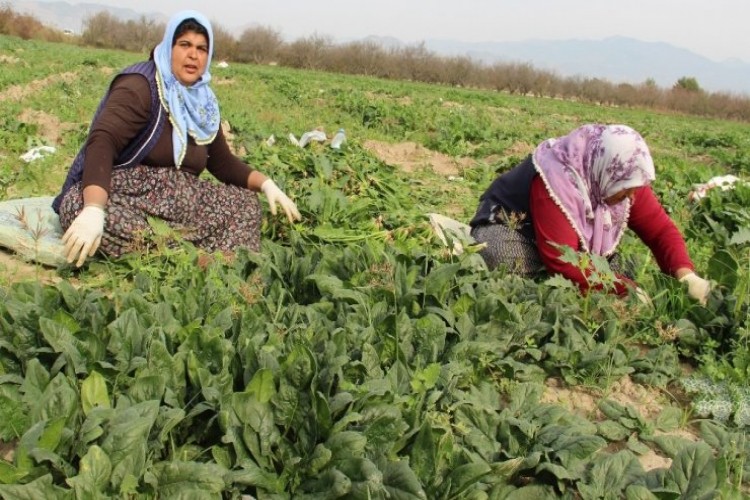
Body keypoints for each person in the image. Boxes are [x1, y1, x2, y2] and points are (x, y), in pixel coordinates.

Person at [53, 10, 301, 267]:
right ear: (169, 46)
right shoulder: (140, 86)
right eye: (184, 45)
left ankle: (187, 257)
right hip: (130, 195)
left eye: (202, 48)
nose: (193, 54)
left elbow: (222, 163)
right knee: (74, 206)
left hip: (182, 205)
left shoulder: (202, 101)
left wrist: (266, 184)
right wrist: (93, 208)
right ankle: (190, 257)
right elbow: (103, 140)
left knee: (246, 204)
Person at [469, 123, 711, 304]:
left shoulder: (623, 177)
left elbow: (660, 231)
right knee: (501, 257)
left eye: (634, 191)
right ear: (607, 173)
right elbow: (562, 259)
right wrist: (625, 289)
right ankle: (566, 279)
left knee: (622, 269)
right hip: (515, 228)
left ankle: (574, 280)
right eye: (625, 192)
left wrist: (685, 274)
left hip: (565, 244)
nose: (630, 198)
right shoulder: (558, 180)